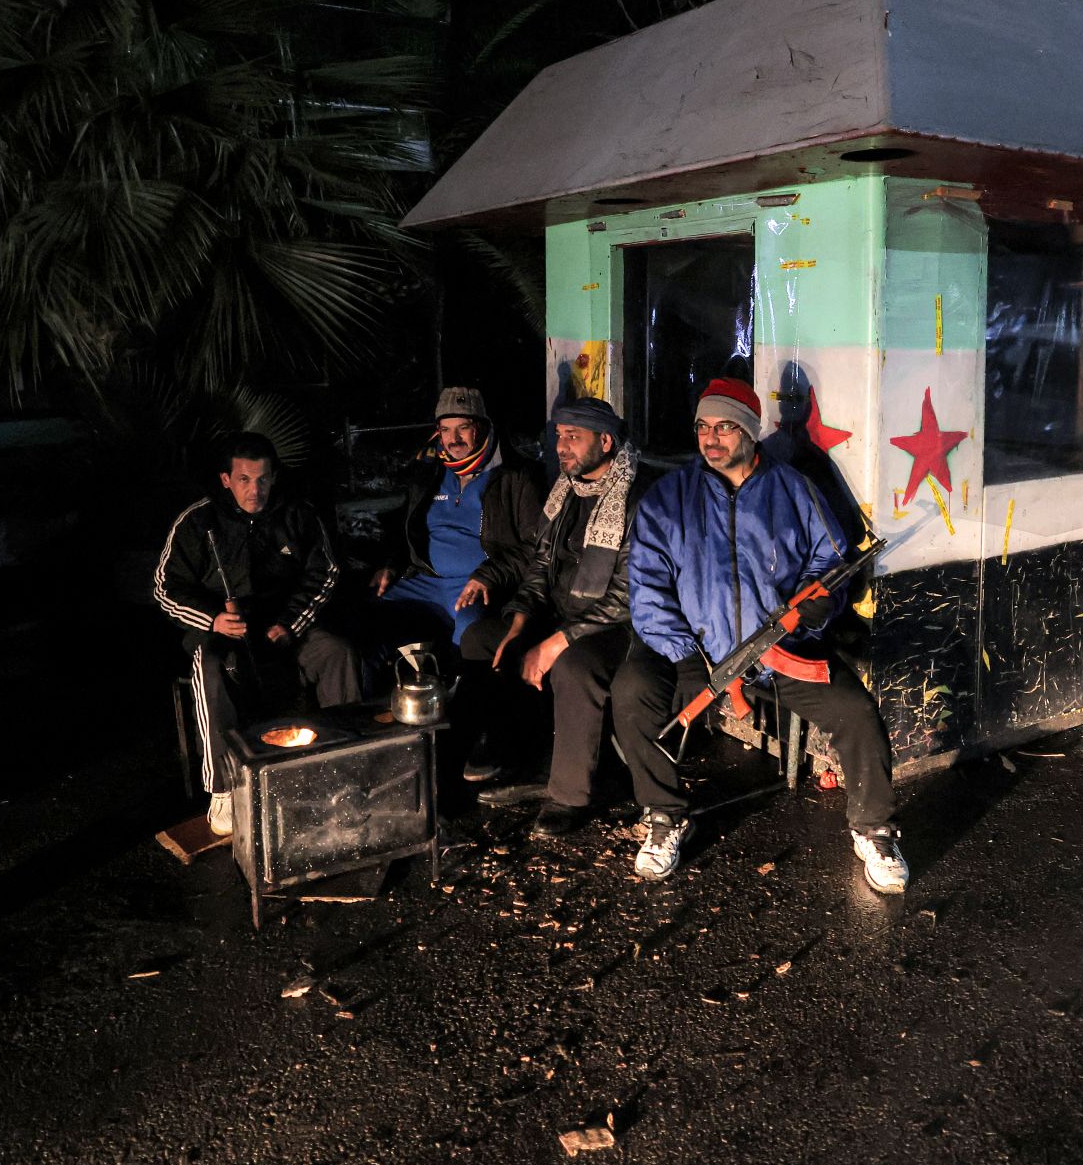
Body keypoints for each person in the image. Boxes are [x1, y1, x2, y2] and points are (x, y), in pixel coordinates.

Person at [611, 377, 907, 890]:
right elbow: (648, 586)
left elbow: (830, 557)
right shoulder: (666, 500)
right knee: (631, 694)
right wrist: (683, 658)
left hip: (781, 650)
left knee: (856, 713)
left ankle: (874, 829)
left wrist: (821, 606)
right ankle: (665, 815)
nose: (711, 439)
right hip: (696, 653)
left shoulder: (794, 489)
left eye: (725, 427)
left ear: (750, 432)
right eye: (703, 427)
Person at [154, 432, 362, 838]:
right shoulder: (198, 521)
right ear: (226, 479)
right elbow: (165, 587)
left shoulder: (298, 515)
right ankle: (222, 790)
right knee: (209, 665)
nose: (255, 490)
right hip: (221, 630)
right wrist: (212, 619)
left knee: (337, 651)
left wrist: (291, 623)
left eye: (263, 479)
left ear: (274, 477)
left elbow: (325, 573)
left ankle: (346, 770)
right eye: (245, 480)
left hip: (283, 625)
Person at [457, 398, 650, 836]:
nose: (562, 447)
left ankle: (571, 794)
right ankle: (515, 756)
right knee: (483, 640)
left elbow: (626, 596)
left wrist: (555, 642)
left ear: (605, 441)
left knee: (573, 664)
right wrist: (521, 622)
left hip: (617, 626)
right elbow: (540, 567)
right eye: (559, 436)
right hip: (563, 614)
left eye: (573, 438)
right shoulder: (567, 490)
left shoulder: (637, 497)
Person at [368, 386, 545, 782]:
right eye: (446, 430)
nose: (454, 439)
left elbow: (537, 549)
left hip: (476, 585)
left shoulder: (515, 477)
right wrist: (389, 565)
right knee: (372, 620)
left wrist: (489, 574)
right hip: (424, 580)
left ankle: (474, 736)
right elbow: (404, 528)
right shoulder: (430, 472)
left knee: (473, 642)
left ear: (482, 428)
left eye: (463, 428)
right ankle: (372, 728)